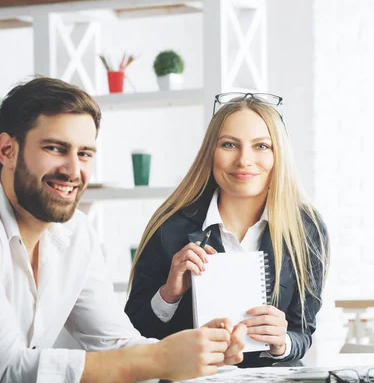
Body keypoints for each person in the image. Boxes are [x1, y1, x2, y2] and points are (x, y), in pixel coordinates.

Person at [0, 78, 245, 383]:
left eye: (85, 154)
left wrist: (197, 349)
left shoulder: (76, 231)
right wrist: (160, 357)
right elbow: (9, 374)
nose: (73, 170)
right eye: (55, 148)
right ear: (7, 150)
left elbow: (114, 341)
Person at [125, 92, 330, 367]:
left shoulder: (306, 230)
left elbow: (302, 333)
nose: (244, 160)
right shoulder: (169, 226)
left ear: (278, 155)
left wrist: (283, 341)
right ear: (211, 152)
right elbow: (135, 333)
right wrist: (169, 294)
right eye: (230, 144)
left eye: (261, 146)